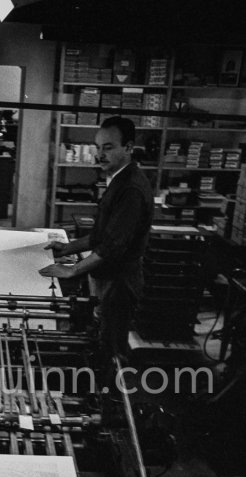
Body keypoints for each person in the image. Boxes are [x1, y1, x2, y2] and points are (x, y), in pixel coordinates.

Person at [45, 116, 154, 364]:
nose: (100, 154)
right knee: (101, 337)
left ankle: (114, 385)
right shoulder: (118, 179)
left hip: (119, 282)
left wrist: (73, 270)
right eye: (98, 147)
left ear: (128, 147)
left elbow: (112, 246)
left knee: (112, 347)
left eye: (108, 147)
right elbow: (101, 235)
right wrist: (67, 248)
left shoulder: (131, 189)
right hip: (108, 278)